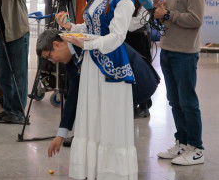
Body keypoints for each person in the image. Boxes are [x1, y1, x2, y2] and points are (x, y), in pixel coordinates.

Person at [52, 0, 139, 180]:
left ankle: (113, 179)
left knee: (110, 120)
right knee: (94, 118)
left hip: (111, 67)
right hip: (92, 63)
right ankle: (98, 172)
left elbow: (116, 37)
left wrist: (86, 43)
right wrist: (70, 26)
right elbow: (89, 26)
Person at [37, 28, 158, 160]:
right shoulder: (71, 56)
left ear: (57, 44)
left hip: (139, 80)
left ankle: (114, 165)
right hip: (120, 84)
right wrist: (61, 134)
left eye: (49, 57)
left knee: (109, 123)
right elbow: (74, 95)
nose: (53, 61)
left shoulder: (84, 43)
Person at [154, 0, 207, 165]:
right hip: (167, 48)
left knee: (188, 102)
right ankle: (182, 143)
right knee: (174, 101)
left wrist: (168, 15)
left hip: (185, 52)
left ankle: (196, 148)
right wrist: (159, 11)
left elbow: (196, 20)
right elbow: (168, 16)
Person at [124, 0, 155, 117]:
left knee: (141, 71)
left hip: (139, 37)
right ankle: (133, 102)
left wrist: (120, 24)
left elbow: (137, 22)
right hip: (128, 37)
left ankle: (145, 105)